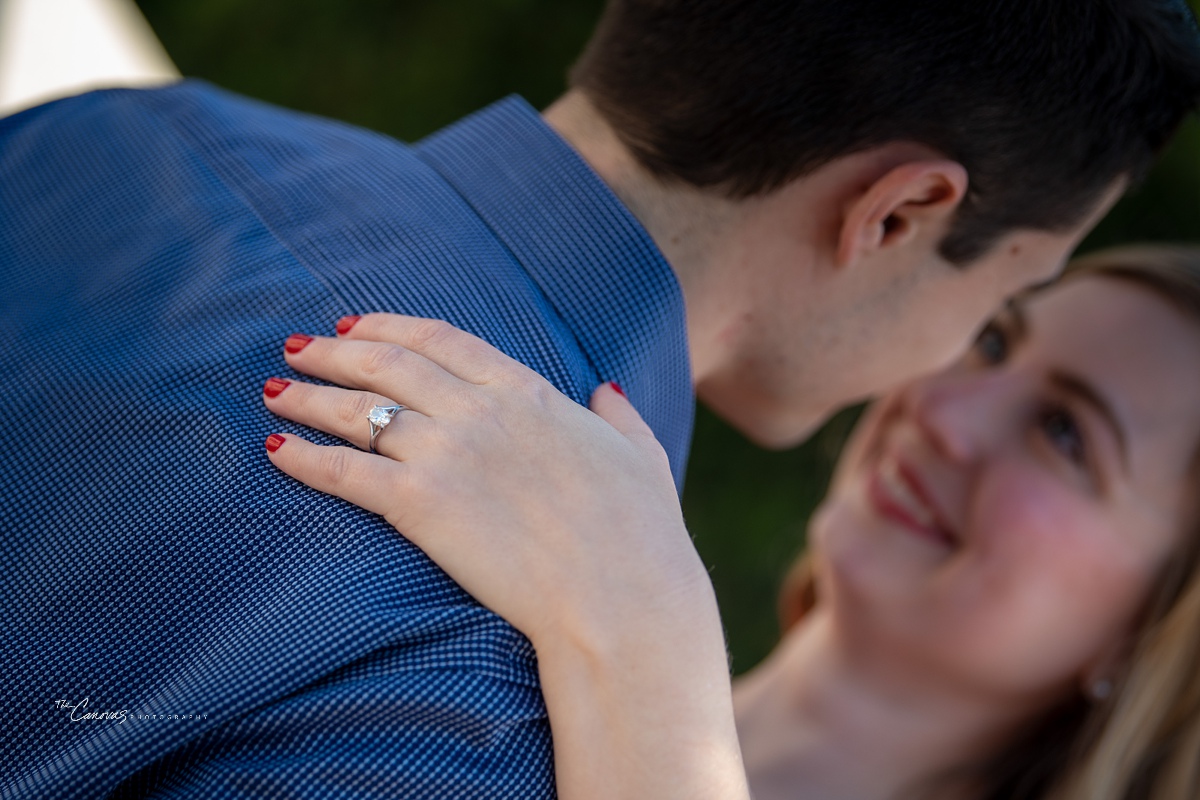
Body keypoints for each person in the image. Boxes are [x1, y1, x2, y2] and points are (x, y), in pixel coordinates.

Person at [3, 2, 1200, 796]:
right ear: (896, 215)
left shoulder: (109, 136)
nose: (940, 402)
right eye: (995, 319)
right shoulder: (485, 688)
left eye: (1064, 433)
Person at [262, 244, 1200, 800]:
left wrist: (643, 632)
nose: (944, 414)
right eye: (992, 339)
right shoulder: (516, 636)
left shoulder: (619, 618)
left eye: (1065, 435)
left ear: (1157, 630)